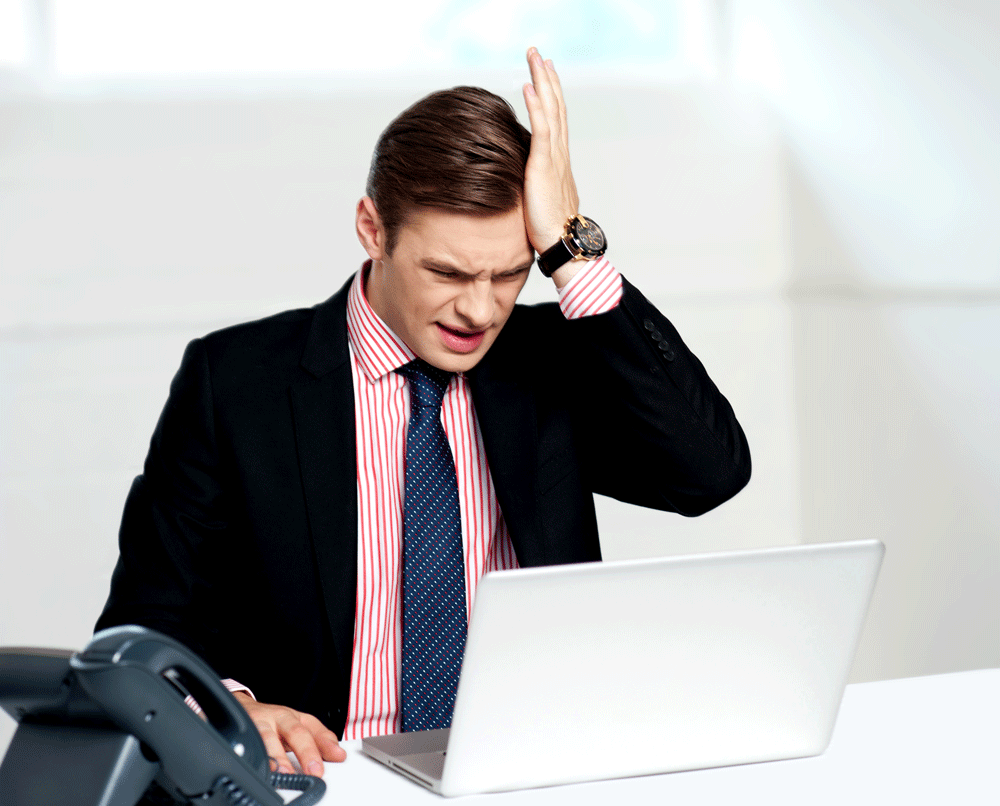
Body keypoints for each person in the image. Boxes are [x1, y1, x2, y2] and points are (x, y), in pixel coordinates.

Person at [96, 47, 751, 778]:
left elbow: (709, 473)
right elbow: (139, 633)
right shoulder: (237, 382)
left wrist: (571, 246)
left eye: (509, 273)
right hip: (326, 778)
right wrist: (231, 706)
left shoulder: (548, 360)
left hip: (530, 771)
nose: (479, 309)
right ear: (373, 230)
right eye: (446, 271)